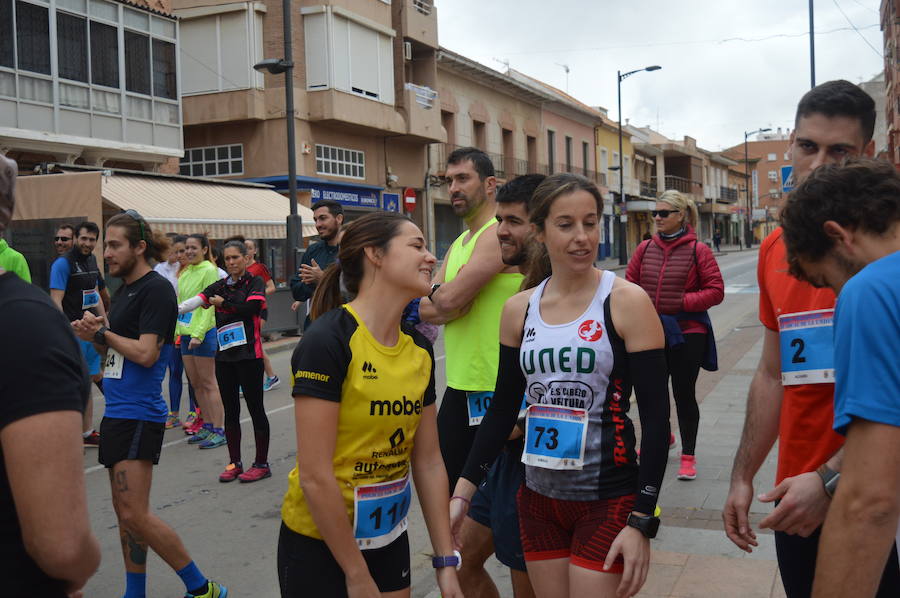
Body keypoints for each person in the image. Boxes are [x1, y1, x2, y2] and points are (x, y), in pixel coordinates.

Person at [450, 173, 670, 598]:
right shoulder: (519, 309)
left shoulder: (627, 301)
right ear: (540, 231)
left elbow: (658, 421)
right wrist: (463, 491)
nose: (582, 237)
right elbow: (501, 411)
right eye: (566, 224)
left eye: (591, 223)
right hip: (537, 499)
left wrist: (642, 517)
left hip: (607, 496)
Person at [722, 80, 900, 597]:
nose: (819, 164)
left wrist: (831, 479)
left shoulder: (874, 273)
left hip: (867, 487)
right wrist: (742, 475)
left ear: (868, 153)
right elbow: (773, 370)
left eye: (839, 151)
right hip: (798, 492)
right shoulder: (778, 247)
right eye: (807, 146)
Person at [279, 211, 463, 598]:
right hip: (321, 542)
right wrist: (356, 574)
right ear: (375, 255)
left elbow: (428, 461)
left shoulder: (420, 349)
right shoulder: (327, 341)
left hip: (387, 534)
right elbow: (315, 475)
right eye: (417, 246)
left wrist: (446, 562)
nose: (431, 257)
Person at [71, 210, 227, 598]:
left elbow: (145, 353)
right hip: (118, 411)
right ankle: (134, 592)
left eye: (114, 245)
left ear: (139, 247)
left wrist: (103, 331)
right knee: (126, 518)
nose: (106, 253)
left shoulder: (156, 289)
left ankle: (202, 588)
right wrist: (95, 334)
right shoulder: (127, 290)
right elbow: (117, 346)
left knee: (134, 514)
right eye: (106, 245)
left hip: (139, 414)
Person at [778, 159, 900, 598]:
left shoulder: (872, 290)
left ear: (838, 235)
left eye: (827, 281)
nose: (836, 296)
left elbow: (870, 502)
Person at [0, 154, 101, 598]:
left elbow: (96, 298)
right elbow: (63, 549)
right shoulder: (25, 324)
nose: (65, 243)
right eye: (63, 238)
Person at [455, 174, 544, 598]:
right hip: (506, 460)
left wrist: (524, 424)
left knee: (527, 580)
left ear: (542, 227)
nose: (500, 231)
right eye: (499, 219)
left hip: (541, 470)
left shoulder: (559, 297)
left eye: (512, 221)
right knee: (458, 560)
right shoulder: (520, 294)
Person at [418, 147, 524, 490]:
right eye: (449, 181)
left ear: (490, 183)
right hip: (463, 385)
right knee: (451, 490)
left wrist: (444, 294)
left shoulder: (497, 234)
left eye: (462, 178)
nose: (453, 188)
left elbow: (446, 299)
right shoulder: (461, 241)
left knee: (498, 500)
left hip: (501, 388)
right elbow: (435, 307)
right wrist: (442, 297)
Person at [626, 191, 724, 480]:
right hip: (650, 331)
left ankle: (688, 455)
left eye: (664, 213)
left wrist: (681, 302)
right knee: (653, 394)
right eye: (656, 213)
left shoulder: (699, 251)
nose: (657, 217)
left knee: (683, 395)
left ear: (681, 215)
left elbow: (716, 291)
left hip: (687, 333)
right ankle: (661, 440)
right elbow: (629, 286)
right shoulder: (644, 249)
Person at [178, 240, 272, 483]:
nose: (231, 262)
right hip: (225, 357)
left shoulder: (255, 281)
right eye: (227, 259)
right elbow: (195, 302)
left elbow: (250, 308)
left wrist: (224, 304)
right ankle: (235, 463)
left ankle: (261, 463)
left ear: (244, 258)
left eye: (235, 258)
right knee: (231, 412)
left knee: (255, 410)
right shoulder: (219, 285)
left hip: (250, 356)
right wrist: (169, 309)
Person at [50, 220, 109, 449]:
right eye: (83, 238)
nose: (87, 243)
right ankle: (69, 434)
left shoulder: (92, 260)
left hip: (91, 331)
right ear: (76, 238)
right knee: (78, 383)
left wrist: (105, 322)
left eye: (92, 239)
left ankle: (86, 431)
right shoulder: (62, 264)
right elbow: (56, 300)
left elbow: (94, 293)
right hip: (73, 333)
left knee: (92, 376)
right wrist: (65, 331)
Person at [177, 234, 227, 449]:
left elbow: (208, 306)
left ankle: (219, 429)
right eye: (186, 248)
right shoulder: (185, 271)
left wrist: (198, 333)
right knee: (195, 383)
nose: (188, 251)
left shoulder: (210, 270)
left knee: (208, 383)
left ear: (205, 249)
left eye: (193, 247)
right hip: (186, 333)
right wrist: (177, 332)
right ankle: (206, 425)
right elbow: (181, 305)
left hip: (204, 333)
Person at [290, 200, 344, 327]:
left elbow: (357, 289)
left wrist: (323, 278)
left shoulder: (352, 250)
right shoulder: (313, 250)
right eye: (315, 220)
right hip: (315, 323)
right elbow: (297, 291)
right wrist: (313, 282)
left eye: (323, 218)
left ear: (339, 218)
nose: (318, 224)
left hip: (343, 323)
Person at [156, 234, 188, 429]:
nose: (176, 255)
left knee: (194, 376)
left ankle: (196, 412)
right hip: (171, 326)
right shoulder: (159, 269)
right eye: (173, 250)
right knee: (174, 371)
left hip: (191, 326)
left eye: (180, 251)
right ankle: (174, 413)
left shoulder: (191, 269)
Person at [245, 238, 280, 391]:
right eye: (243, 247)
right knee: (249, 343)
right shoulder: (239, 268)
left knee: (254, 342)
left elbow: (272, 287)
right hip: (244, 310)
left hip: (259, 309)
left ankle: (271, 377)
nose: (246, 250)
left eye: (249, 247)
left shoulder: (259, 268)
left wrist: (256, 295)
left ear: (255, 251)